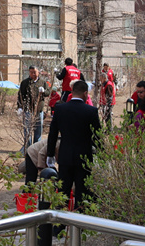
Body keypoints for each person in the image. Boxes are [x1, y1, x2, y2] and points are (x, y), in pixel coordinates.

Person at [46, 80, 101, 212]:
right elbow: (97, 136)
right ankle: (79, 220)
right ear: (85, 94)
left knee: (63, 191)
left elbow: (52, 134)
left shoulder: (60, 109)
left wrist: (50, 154)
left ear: (72, 92)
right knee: (82, 193)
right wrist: (101, 154)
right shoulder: (91, 111)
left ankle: (60, 221)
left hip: (65, 156)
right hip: (84, 157)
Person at [16, 66, 49, 149]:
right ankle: (27, 147)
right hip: (28, 109)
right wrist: (20, 107)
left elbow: (48, 92)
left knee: (38, 129)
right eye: (31, 72)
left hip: (39, 109)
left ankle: (36, 147)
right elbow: (20, 95)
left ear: (38, 72)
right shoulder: (25, 83)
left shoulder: (43, 82)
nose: (33, 74)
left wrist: (44, 91)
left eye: (34, 72)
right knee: (27, 130)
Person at [99, 64, 116, 130]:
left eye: (101, 79)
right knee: (105, 116)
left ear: (105, 78)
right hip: (104, 102)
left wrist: (108, 105)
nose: (100, 80)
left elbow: (110, 96)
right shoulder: (104, 84)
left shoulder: (108, 85)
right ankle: (108, 128)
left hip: (108, 103)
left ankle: (110, 129)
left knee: (108, 116)